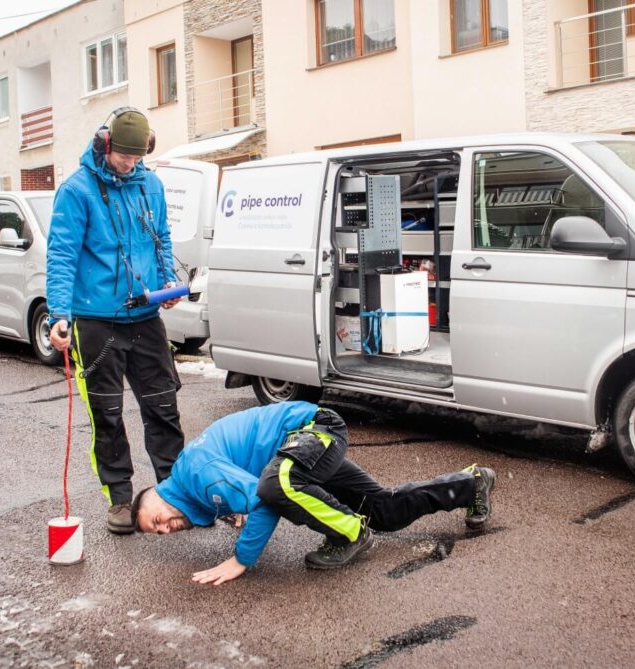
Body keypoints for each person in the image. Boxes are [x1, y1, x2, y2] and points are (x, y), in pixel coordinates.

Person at [132, 401, 496, 585]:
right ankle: (470, 483)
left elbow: (261, 497)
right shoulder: (194, 491)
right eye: (158, 533)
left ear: (157, 495)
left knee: (276, 486)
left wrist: (240, 560)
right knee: (385, 510)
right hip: (300, 454)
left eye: (155, 520)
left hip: (311, 431)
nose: (164, 529)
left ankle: (350, 532)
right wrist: (236, 512)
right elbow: (242, 488)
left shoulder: (193, 474)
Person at [46, 107, 185, 536]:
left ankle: (176, 492)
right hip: (95, 320)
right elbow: (62, 255)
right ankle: (121, 498)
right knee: (107, 413)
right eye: (123, 156)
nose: (130, 163)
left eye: (137, 156)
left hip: (145, 315)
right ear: (107, 146)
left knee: (163, 405)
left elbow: (161, 237)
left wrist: (169, 281)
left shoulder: (151, 184)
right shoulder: (76, 191)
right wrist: (59, 314)